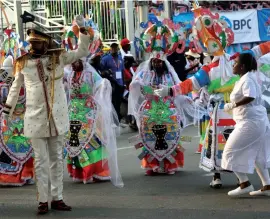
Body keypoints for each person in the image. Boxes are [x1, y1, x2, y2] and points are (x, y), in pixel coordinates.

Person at [2, 28, 92, 214]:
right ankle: (43, 200)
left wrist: (83, 32)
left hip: (57, 118)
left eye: (38, 43)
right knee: (40, 162)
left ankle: (57, 198)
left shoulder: (59, 58)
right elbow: (15, 87)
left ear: (46, 43)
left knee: (56, 160)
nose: (34, 46)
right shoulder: (23, 62)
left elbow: (82, 52)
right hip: (35, 119)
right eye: (32, 43)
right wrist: (7, 111)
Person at [129, 20, 205, 175]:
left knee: (169, 135)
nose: (157, 63)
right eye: (155, 61)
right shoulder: (145, 72)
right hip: (150, 109)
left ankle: (170, 164)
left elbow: (177, 88)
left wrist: (184, 98)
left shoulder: (170, 73)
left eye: (159, 61)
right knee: (150, 136)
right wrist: (138, 84)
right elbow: (135, 83)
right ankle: (153, 165)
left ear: (164, 62)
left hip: (168, 110)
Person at [64, 58, 123, 187]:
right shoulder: (69, 73)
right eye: (72, 62)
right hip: (73, 111)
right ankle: (80, 171)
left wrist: (103, 85)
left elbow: (101, 85)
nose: (74, 64)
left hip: (88, 112)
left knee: (91, 139)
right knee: (75, 140)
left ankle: (95, 171)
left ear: (83, 62)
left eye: (77, 62)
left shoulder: (91, 74)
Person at [222, 53, 270, 196]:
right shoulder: (246, 78)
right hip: (255, 121)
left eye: (235, 63)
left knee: (229, 151)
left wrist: (233, 104)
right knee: (258, 155)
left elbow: (251, 96)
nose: (233, 65)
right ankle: (267, 187)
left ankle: (244, 184)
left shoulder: (247, 79)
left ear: (242, 66)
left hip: (251, 123)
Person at [0, 55, 34, 186]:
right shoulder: (26, 83)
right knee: (23, 149)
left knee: (11, 148)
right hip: (23, 121)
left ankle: (11, 176)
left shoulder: (4, 85)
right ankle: (25, 175)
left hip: (9, 121)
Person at [101, 43, 125, 122]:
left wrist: (123, 83)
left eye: (116, 47)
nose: (114, 49)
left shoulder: (120, 58)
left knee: (118, 102)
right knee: (112, 102)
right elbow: (101, 71)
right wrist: (107, 72)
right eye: (113, 47)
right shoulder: (105, 59)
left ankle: (118, 118)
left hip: (120, 83)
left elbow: (122, 71)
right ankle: (113, 119)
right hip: (112, 84)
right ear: (110, 48)